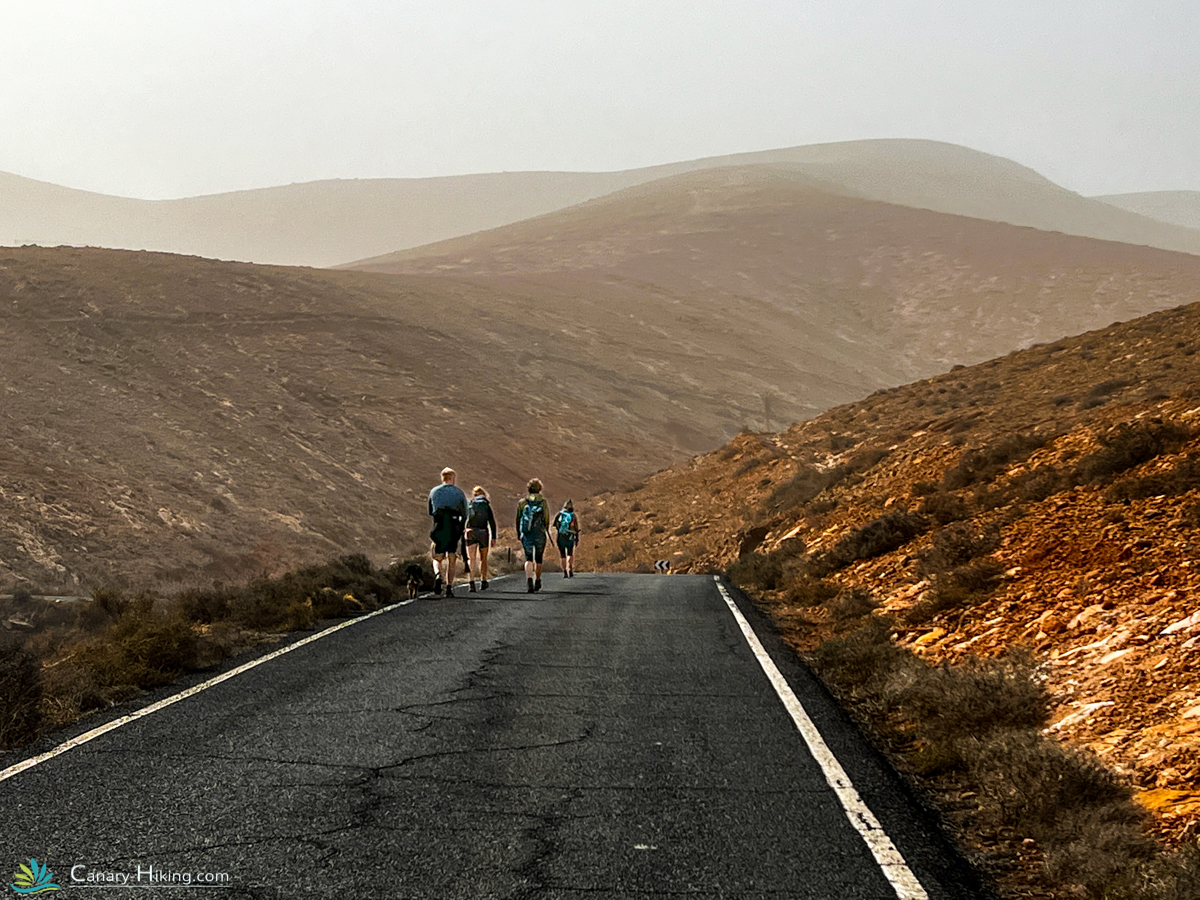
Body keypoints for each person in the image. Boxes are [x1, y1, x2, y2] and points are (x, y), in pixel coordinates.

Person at [428, 467, 468, 597]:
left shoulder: (434, 491)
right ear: (453, 478)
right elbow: (465, 513)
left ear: (442, 478)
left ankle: (438, 574)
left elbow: (430, 511)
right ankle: (449, 587)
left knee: (437, 557)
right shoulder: (459, 493)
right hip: (453, 527)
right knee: (452, 558)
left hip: (438, 526)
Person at [515, 478, 552, 593]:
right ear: (539, 489)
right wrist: (546, 529)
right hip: (539, 533)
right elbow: (546, 518)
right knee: (539, 558)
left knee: (529, 558)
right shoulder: (543, 502)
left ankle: (529, 580)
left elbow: (518, 518)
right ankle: (538, 580)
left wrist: (519, 533)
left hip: (526, 533)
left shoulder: (522, 502)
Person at [464, 485, 497, 593]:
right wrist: (494, 537)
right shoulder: (486, 505)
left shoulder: (470, 503)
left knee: (471, 559)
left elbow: (465, 518)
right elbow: (491, 521)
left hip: (471, 531)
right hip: (483, 532)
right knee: (483, 558)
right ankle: (483, 580)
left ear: (474, 494)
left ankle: (471, 582)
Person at [553, 499, 581, 578]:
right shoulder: (573, 516)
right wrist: (577, 539)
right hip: (570, 537)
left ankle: (565, 571)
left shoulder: (559, 514)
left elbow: (555, 526)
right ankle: (570, 569)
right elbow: (576, 529)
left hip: (560, 537)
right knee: (570, 553)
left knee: (562, 555)